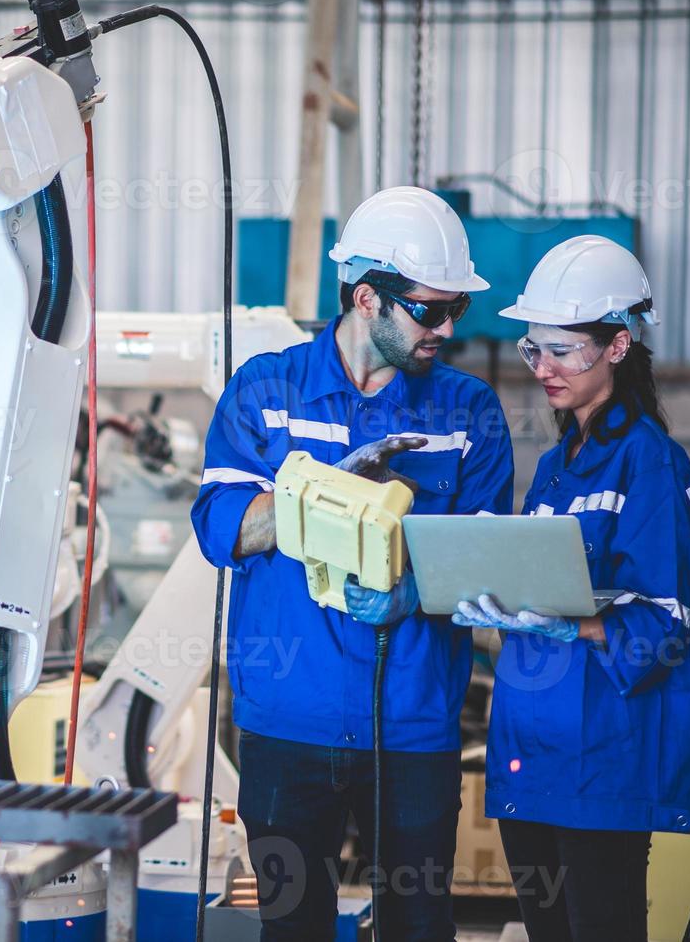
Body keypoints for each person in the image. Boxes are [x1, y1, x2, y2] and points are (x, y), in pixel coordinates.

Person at [191, 186, 515, 941]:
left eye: (454, 311)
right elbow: (218, 528)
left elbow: (483, 561)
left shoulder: (467, 414)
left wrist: (411, 593)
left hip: (413, 730)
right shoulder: (266, 391)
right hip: (283, 729)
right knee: (292, 927)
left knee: (417, 926)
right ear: (368, 297)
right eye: (429, 310)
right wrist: (324, 493)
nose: (445, 328)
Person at [452, 236, 690, 941]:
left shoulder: (648, 464)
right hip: (532, 753)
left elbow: (665, 623)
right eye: (533, 349)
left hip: (601, 765)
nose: (543, 368)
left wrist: (572, 625)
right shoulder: (554, 465)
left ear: (619, 345)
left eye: (563, 350)